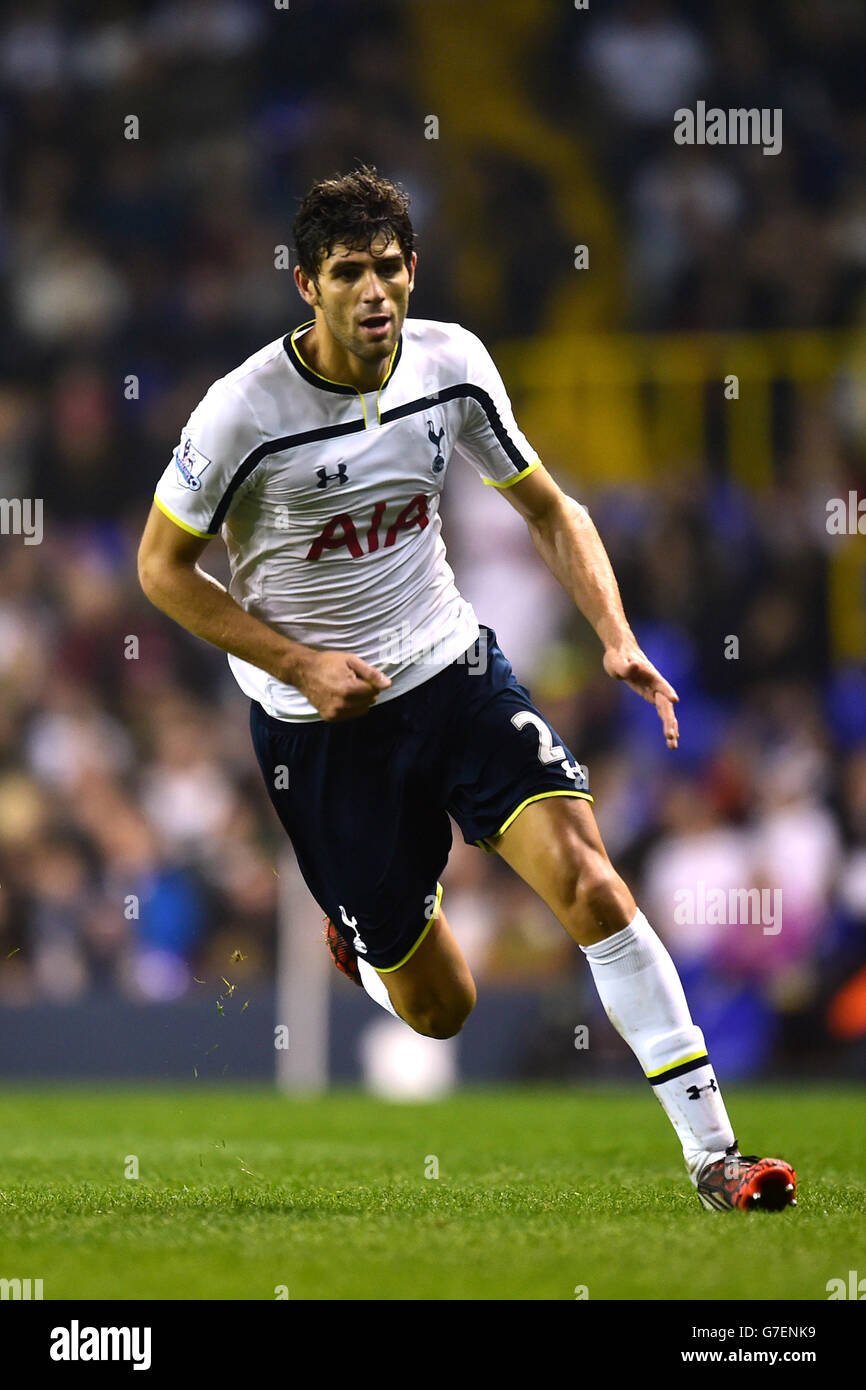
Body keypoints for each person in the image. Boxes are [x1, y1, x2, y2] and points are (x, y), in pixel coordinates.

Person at [138, 166, 795, 1212]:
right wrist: (299, 662)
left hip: (450, 667)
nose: (373, 291)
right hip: (321, 726)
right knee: (441, 1007)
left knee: (588, 879)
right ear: (305, 283)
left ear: (413, 271)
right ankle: (369, 938)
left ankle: (716, 1158)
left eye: (389, 268)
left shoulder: (451, 363)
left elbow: (549, 506)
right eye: (347, 271)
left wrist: (613, 635)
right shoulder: (238, 414)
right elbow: (160, 569)